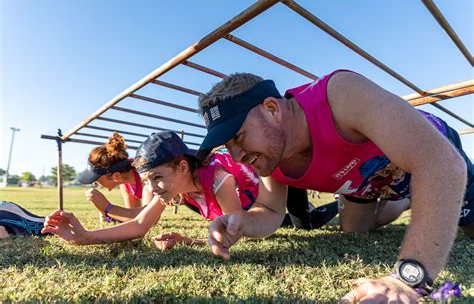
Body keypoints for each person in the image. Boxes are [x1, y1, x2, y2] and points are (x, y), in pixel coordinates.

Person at [196, 70, 472, 302]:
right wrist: (241, 222)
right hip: (366, 184)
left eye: (240, 137)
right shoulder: (272, 158)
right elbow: (269, 209)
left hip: (434, 152)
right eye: (227, 146)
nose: (236, 157)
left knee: (469, 229)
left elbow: (439, 163)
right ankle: (407, 199)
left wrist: (407, 280)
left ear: (272, 109)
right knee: (354, 230)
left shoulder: (339, 94)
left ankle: (421, 193)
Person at [42, 131, 338, 249]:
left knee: (305, 224)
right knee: (277, 226)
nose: (152, 189)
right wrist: (84, 237)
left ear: (182, 167)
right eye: (147, 181)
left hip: (277, 185)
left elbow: (234, 233)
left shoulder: (218, 177)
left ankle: (341, 202)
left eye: (156, 178)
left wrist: (188, 240)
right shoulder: (172, 186)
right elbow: (140, 224)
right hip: (249, 206)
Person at [77, 132, 154, 222]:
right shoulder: (125, 182)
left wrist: (108, 208)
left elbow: (151, 217)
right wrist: (112, 217)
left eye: (96, 181)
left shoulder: (146, 175)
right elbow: (135, 218)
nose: (95, 185)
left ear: (116, 176)